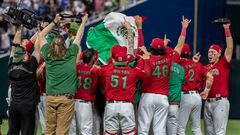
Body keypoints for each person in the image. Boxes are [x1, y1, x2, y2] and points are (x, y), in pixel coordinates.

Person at [137, 16, 191, 135]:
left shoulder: (147, 58)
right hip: (163, 98)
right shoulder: (168, 59)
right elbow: (179, 46)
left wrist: (139, 28)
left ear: (151, 48)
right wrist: (184, 28)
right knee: (160, 131)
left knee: (143, 129)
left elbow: (141, 49)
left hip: (148, 96)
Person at [38, 14, 88, 134]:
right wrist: (84, 21)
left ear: (52, 45)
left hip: (50, 98)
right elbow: (79, 35)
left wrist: (54, 22)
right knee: (62, 131)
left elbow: (41, 35)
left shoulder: (48, 55)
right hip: (66, 99)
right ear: (65, 45)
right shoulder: (71, 53)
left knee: (49, 130)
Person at [91, 46, 150, 135]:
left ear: (115, 60)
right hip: (127, 107)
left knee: (110, 133)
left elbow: (92, 70)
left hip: (111, 105)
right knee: (129, 133)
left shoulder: (107, 69)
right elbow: (147, 74)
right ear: (126, 61)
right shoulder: (133, 71)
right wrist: (146, 60)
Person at [7, 25, 40, 135]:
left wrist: (18, 30)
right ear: (25, 56)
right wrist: (40, 32)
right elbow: (37, 49)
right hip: (27, 106)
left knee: (13, 132)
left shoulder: (10, 66)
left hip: (14, 105)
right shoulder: (30, 66)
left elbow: (14, 47)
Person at [177, 44, 214, 135]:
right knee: (196, 128)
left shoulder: (178, 63)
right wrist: (206, 90)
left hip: (185, 96)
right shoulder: (197, 64)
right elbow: (210, 77)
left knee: (180, 128)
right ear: (189, 53)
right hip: (197, 97)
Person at [203, 23, 233, 135]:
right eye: (209, 52)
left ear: (219, 54)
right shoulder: (205, 67)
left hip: (220, 102)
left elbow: (230, 47)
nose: (210, 54)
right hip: (208, 102)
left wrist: (226, 29)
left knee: (219, 132)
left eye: (213, 52)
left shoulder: (223, 63)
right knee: (208, 133)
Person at [70, 49, 99, 135]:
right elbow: (95, 88)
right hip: (85, 104)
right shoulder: (95, 70)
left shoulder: (75, 67)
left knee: (72, 131)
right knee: (86, 131)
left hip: (72, 102)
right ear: (93, 58)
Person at [166, 46, 185, 135]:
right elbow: (183, 83)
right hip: (174, 104)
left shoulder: (163, 66)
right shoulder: (180, 68)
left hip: (163, 103)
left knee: (160, 130)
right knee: (173, 132)